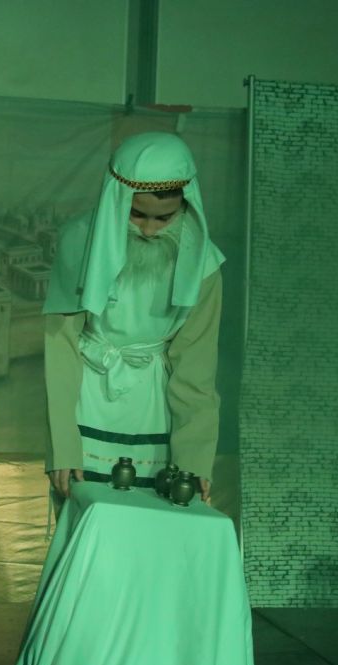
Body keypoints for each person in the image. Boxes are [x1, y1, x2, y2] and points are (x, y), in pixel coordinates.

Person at [42, 131, 225, 507]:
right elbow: (60, 348)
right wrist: (62, 445)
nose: (149, 230)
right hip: (86, 398)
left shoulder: (205, 265)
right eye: (137, 214)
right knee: (85, 518)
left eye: (165, 218)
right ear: (117, 199)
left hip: (154, 407)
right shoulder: (78, 242)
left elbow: (196, 368)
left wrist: (194, 458)